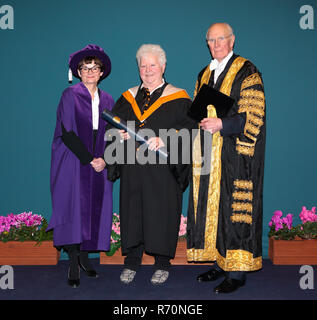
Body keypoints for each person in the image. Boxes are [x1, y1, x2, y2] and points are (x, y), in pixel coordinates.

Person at [105, 44, 196, 285]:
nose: (147, 70)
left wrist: (165, 138)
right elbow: (111, 127)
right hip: (134, 168)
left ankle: (163, 263)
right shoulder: (128, 97)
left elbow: (192, 129)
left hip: (163, 170)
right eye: (143, 66)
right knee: (133, 212)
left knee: (162, 212)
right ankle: (132, 262)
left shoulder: (180, 98)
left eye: (152, 65)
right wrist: (118, 135)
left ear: (163, 67)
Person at [186, 23, 266, 293]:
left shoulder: (247, 71)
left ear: (232, 40)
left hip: (236, 155)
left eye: (221, 38)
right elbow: (197, 112)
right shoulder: (204, 73)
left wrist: (222, 124)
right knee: (215, 210)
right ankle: (220, 263)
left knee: (234, 210)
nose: (216, 43)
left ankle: (237, 271)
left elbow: (253, 116)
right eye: (211, 39)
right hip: (210, 154)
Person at [47, 44, 114, 288]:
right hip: (73, 159)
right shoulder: (70, 95)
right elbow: (67, 132)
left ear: (102, 71)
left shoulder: (108, 99)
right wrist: (89, 159)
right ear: (78, 71)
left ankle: (86, 257)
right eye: (85, 68)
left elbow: (111, 134)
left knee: (93, 208)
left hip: (98, 160)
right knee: (73, 208)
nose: (90, 72)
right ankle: (73, 261)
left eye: (95, 68)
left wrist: (104, 159)